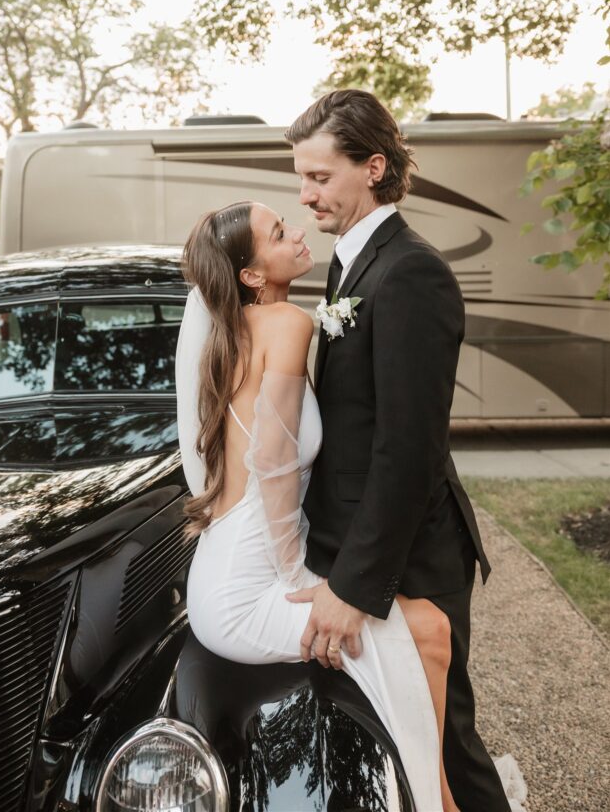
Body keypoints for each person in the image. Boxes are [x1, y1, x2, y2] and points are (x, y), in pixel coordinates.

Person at [176, 199, 457, 812]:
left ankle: (428, 791)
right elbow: (272, 466)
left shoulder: (242, 330)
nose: (296, 230)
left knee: (424, 632)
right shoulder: (286, 324)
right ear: (252, 276)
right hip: (249, 587)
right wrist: (300, 577)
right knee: (432, 631)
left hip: (225, 572)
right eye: (278, 232)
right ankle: (435, 798)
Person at [283, 89, 512, 812]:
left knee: (444, 742)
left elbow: (407, 448)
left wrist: (355, 586)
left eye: (320, 177)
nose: (305, 193)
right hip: (357, 541)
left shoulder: (410, 270)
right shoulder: (350, 265)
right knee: (393, 742)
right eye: (302, 176)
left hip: (411, 553)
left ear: (372, 167)